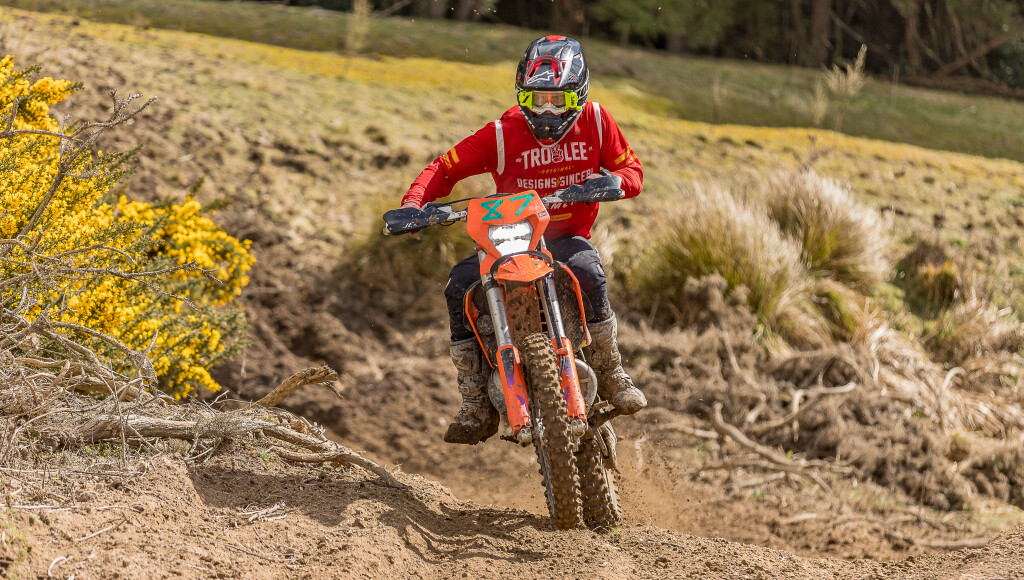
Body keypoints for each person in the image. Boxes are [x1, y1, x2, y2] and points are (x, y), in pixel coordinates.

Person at [400, 35, 646, 445]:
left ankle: (611, 370)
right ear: (521, 96)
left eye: (558, 101)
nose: (547, 111)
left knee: (589, 272)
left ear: (579, 97)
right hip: (509, 240)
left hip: (566, 237)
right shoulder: (501, 134)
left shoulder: (597, 121)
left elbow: (632, 170)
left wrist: (613, 182)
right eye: (536, 100)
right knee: (459, 287)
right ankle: (475, 400)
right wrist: (413, 205)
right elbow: (443, 168)